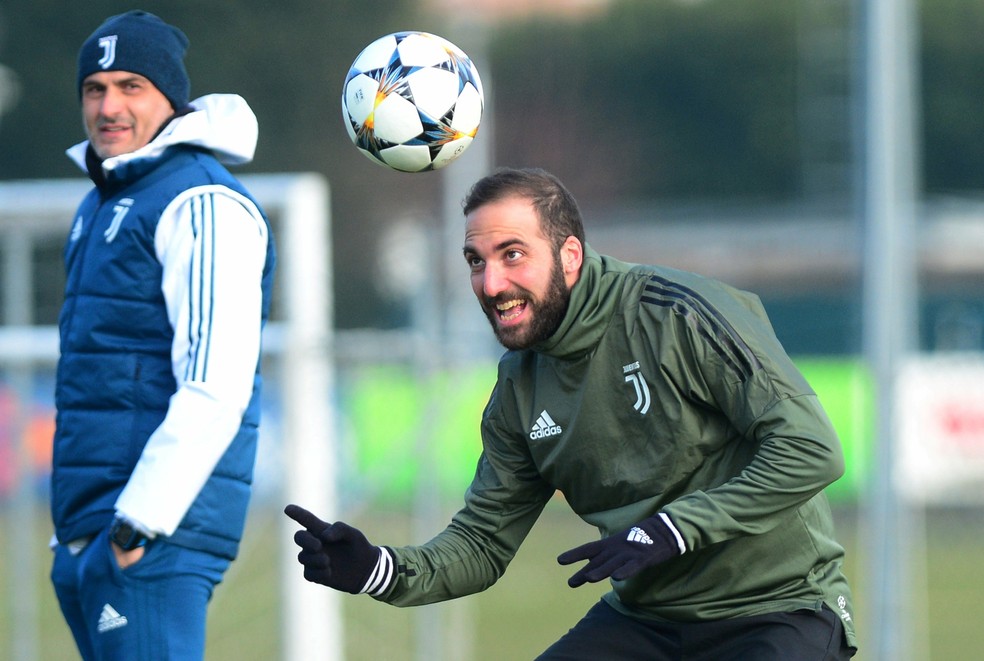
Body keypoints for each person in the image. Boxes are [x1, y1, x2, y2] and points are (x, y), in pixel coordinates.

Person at [286, 168, 857, 659]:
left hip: (778, 608)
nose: (491, 283)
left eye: (512, 255)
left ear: (570, 255)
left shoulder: (676, 315)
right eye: (475, 261)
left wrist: (674, 529)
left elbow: (811, 448)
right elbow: (484, 544)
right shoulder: (517, 387)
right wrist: (378, 569)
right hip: (646, 623)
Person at [49, 10, 275, 660]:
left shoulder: (202, 201)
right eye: (95, 89)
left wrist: (135, 523)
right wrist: (78, 535)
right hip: (93, 530)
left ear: (170, 99)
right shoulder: (102, 199)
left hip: (151, 532)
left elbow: (215, 382)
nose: (109, 106)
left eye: (130, 86)